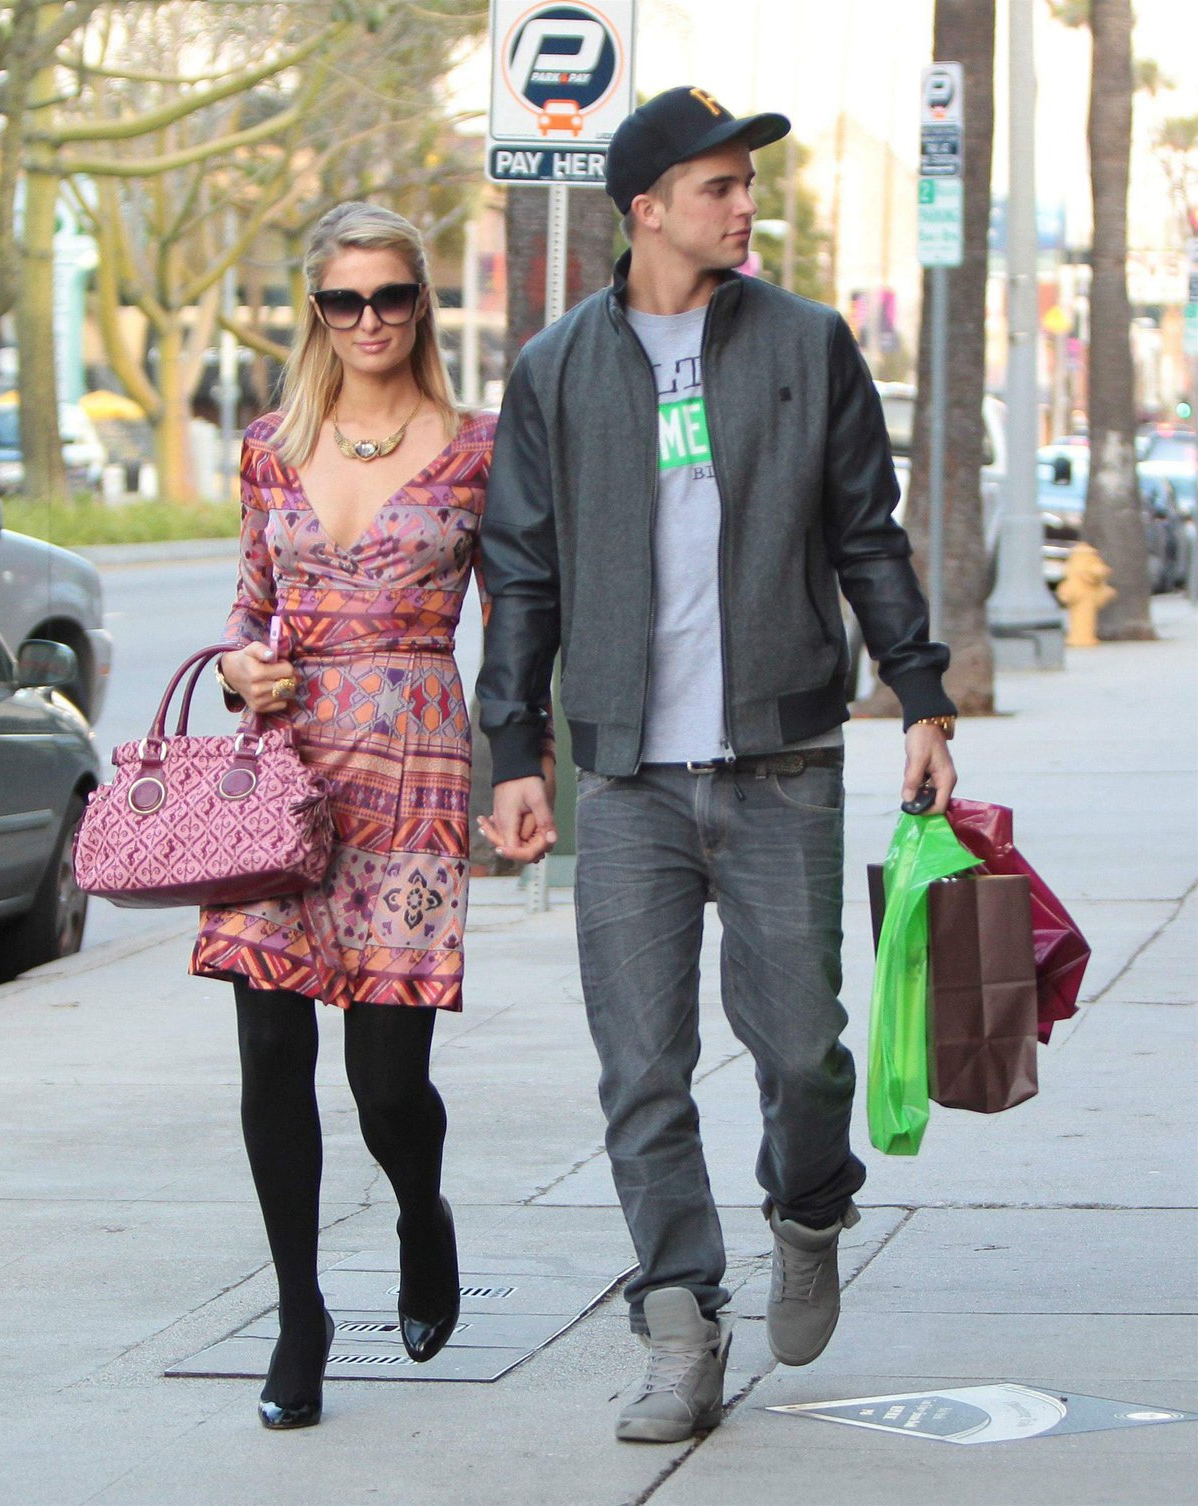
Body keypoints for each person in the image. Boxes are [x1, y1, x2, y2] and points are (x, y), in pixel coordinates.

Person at [476, 86, 958, 1444]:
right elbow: (521, 572)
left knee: (801, 1049)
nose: (745, 205)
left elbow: (868, 528)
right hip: (625, 778)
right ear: (645, 209)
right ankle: (678, 1322)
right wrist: (514, 747)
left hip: (784, 760)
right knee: (641, 1067)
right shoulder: (558, 368)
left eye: (748, 184)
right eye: (719, 186)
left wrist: (920, 694)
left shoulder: (806, 345)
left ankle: (810, 1207)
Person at [190, 202, 546, 1430]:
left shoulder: (479, 446)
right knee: (271, 1057)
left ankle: (419, 1212)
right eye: (343, 302)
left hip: (408, 770)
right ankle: (300, 1316)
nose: (369, 321)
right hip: (279, 778)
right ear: (316, 313)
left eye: (391, 297)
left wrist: (525, 762)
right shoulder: (268, 450)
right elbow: (245, 611)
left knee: (388, 1081)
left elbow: (515, 624)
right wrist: (242, 670)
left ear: (422, 307)